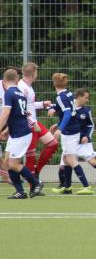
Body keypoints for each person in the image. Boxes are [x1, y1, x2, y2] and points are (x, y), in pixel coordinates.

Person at [52, 88, 96, 191]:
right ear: (79, 97)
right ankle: (66, 186)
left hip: (82, 141)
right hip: (70, 138)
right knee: (65, 162)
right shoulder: (70, 107)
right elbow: (64, 118)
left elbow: (91, 125)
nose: (87, 100)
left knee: (91, 161)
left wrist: (86, 136)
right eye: (86, 98)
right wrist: (58, 125)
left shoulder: (86, 110)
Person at [0, 69, 44, 199]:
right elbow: (20, 114)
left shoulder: (9, 93)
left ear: (5, 80)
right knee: (7, 162)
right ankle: (20, 191)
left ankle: (36, 183)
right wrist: (8, 130)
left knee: (13, 163)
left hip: (20, 133)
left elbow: (6, 113)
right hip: (18, 132)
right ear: (16, 79)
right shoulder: (19, 93)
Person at [50, 73, 94, 195]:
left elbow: (68, 113)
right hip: (73, 129)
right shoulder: (68, 93)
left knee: (70, 158)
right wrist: (52, 108)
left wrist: (60, 128)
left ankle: (87, 186)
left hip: (69, 132)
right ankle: (67, 187)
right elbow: (63, 108)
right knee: (65, 158)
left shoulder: (61, 97)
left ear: (54, 84)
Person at [18, 62, 58, 182]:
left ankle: (36, 171)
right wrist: (32, 123)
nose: (37, 74)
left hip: (33, 122)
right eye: (36, 72)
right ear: (33, 73)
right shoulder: (22, 87)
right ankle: (33, 186)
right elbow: (21, 109)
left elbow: (28, 105)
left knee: (52, 143)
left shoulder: (28, 86)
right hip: (27, 125)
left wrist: (42, 104)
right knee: (30, 155)